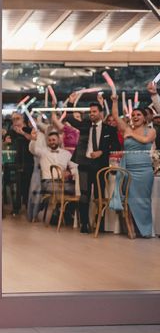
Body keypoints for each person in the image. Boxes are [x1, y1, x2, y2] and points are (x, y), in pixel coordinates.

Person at [59, 96, 120, 233]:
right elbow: (69, 117)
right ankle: (85, 224)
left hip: (101, 166)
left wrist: (102, 152)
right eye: (90, 112)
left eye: (94, 111)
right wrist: (70, 102)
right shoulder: (85, 125)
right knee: (85, 195)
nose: (92, 114)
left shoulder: (109, 129)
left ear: (101, 113)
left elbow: (116, 146)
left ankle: (100, 223)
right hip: (84, 165)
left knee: (99, 196)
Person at [109, 94, 156, 238]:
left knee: (144, 200)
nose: (135, 117)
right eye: (133, 115)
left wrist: (130, 134)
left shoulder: (151, 131)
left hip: (145, 170)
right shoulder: (127, 128)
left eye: (138, 115)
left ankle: (146, 230)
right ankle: (131, 229)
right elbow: (116, 116)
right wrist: (115, 101)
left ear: (144, 117)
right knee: (128, 199)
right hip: (128, 169)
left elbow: (145, 139)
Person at [7, 112, 34, 216]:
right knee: (15, 185)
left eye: (17, 118)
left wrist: (22, 133)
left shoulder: (29, 129)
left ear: (22, 119)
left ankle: (28, 207)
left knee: (27, 185)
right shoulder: (11, 131)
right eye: (13, 119)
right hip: (16, 161)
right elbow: (7, 141)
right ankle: (16, 208)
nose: (15, 121)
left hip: (28, 160)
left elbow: (32, 139)